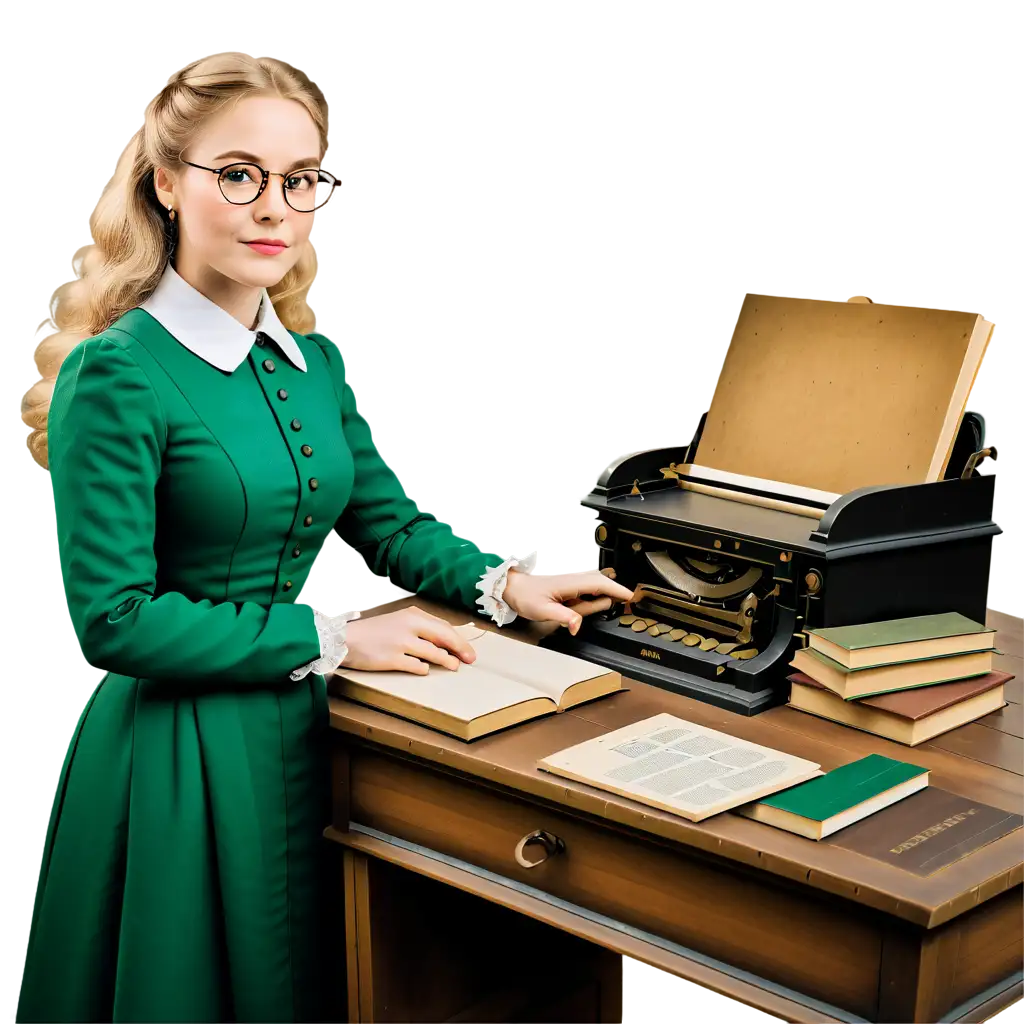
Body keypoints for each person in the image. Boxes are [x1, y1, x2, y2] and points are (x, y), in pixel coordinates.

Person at [16, 52, 632, 1023]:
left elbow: (389, 523)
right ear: (166, 182)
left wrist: (509, 583)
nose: (275, 208)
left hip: (314, 738)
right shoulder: (116, 373)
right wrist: (337, 636)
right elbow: (113, 620)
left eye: (300, 179)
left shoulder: (314, 363)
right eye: (240, 174)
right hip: (182, 761)